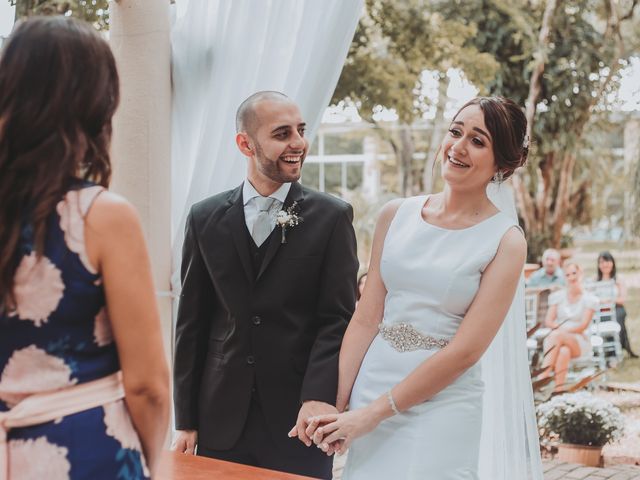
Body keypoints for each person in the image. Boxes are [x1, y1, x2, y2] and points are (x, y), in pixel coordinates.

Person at [305, 96, 542, 479]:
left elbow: (466, 352)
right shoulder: (394, 214)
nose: (458, 147)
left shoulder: (505, 241)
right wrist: (336, 404)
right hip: (372, 384)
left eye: (478, 141)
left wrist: (373, 413)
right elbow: (366, 318)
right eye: (455, 131)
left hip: (442, 404)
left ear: (502, 164)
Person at [0, 17, 169, 479]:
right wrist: (150, 464)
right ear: (96, 100)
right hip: (84, 451)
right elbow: (148, 386)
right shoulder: (101, 216)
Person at [171, 91, 358, 479]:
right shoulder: (204, 218)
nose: (298, 144)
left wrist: (319, 398)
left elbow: (336, 320)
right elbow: (192, 323)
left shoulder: (332, 217)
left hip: (300, 420)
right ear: (245, 144)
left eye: (301, 131)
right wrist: (185, 419)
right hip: (220, 417)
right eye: (282, 133)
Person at [540, 263, 599, 390]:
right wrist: (561, 333)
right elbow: (549, 321)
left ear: (581, 274)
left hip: (579, 340)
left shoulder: (589, 299)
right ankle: (558, 390)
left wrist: (562, 332)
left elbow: (583, 326)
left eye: (574, 273)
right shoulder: (557, 297)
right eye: (567, 275)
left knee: (556, 335)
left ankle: (542, 376)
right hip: (558, 341)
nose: (571, 277)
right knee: (563, 351)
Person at [596, 251, 637, 358]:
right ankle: (603, 349)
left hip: (616, 307)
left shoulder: (618, 279)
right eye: (602, 262)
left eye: (607, 261)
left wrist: (609, 300)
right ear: (598, 265)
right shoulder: (595, 280)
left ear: (612, 263)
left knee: (617, 317)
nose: (605, 265)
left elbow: (622, 299)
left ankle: (613, 352)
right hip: (601, 309)